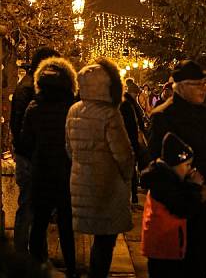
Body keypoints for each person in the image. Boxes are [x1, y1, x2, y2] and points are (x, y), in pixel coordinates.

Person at [147, 59, 206, 278]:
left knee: (201, 265)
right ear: (179, 85)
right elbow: (156, 169)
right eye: (196, 84)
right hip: (177, 214)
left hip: (204, 211)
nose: (203, 89)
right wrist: (191, 193)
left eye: (205, 83)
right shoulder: (163, 117)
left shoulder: (204, 113)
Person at [66, 57, 134, 278]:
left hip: (80, 181)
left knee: (95, 237)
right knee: (105, 240)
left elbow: (69, 147)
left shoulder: (74, 110)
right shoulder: (109, 113)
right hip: (107, 185)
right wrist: (127, 176)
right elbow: (122, 153)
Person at [20, 57, 78, 278]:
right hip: (65, 173)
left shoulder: (33, 107)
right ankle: (71, 269)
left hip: (41, 172)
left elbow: (25, 143)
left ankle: (36, 269)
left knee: (39, 223)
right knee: (66, 226)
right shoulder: (72, 107)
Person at [9, 46, 59, 253]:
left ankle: (33, 252)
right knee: (29, 206)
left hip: (31, 156)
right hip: (29, 158)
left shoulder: (31, 87)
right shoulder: (28, 89)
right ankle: (22, 254)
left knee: (34, 207)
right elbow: (18, 127)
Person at [141, 133, 206, 278]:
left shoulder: (165, 177)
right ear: (175, 163)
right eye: (187, 165)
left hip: (164, 247)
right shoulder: (163, 182)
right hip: (165, 248)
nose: (190, 169)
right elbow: (182, 207)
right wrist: (196, 188)